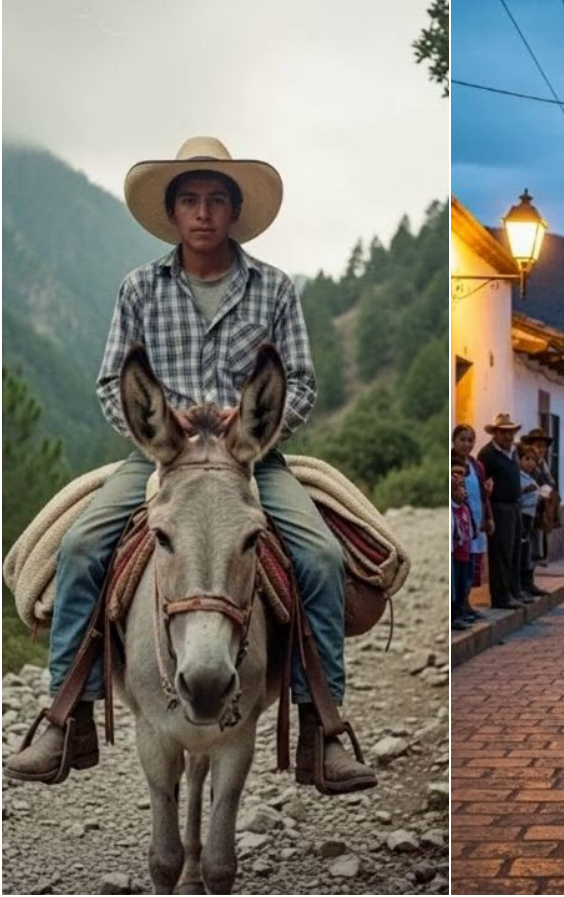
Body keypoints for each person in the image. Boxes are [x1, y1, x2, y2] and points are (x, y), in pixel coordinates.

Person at [5, 137, 377, 793]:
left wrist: (254, 433)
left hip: (252, 463)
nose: (203, 212)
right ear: (173, 214)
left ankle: (323, 720)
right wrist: (158, 435)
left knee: (318, 556)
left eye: (215, 201)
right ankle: (69, 713)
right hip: (159, 461)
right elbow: (107, 383)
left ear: (234, 212)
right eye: (189, 201)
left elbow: (304, 384)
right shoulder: (139, 288)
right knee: (83, 547)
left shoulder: (275, 290)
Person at [477, 413, 526, 609]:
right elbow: (483, 484)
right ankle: (500, 597)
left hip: (514, 506)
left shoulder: (513, 452)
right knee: (500, 553)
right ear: (495, 433)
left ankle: (514, 591)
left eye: (511, 432)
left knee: (515, 551)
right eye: (504, 433)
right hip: (498, 507)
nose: (508, 437)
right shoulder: (487, 455)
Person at [451, 424, 493, 621]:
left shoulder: (477, 466)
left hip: (474, 521)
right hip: (459, 524)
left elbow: (483, 496)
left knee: (470, 565)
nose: (466, 444)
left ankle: (466, 604)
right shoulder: (451, 464)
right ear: (453, 441)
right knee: (459, 568)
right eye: (462, 439)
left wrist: (488, 518)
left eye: (470, 440)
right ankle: (457, 608)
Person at [520, 428, 559, 565]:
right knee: (530, 547)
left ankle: (531, 578)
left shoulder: (543, 464)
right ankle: (526, 580)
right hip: (530, 510)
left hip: (542, 510)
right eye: (538, 446)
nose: (541, 449)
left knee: (538, 547)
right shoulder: (528, 463)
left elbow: (549, 482)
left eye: (543, 446)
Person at [518, 446, 549, 598]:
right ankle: (522, 584)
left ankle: (529, 582)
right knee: (523, 551)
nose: (530, 463)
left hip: (532, 516)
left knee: (532, 551)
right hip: (522, 516)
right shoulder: (519, 477)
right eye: (526, 459)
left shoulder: (533, 476)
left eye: (533, 460)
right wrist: (526, 491)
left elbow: (546, 485)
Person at [450, 455, 474, 631]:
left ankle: (461, 611)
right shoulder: (452, 509)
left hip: (464, 551)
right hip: (455, 552)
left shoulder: (464, 508)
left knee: (463, 582)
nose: (463, 491)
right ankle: (456, 615)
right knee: (455, 584)